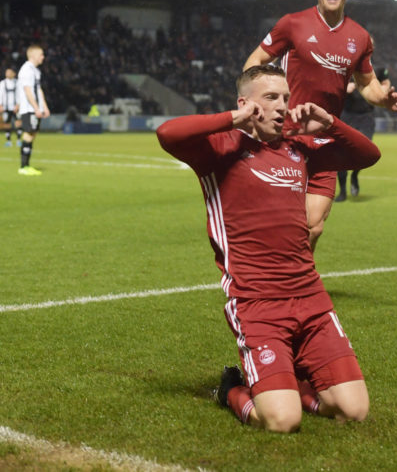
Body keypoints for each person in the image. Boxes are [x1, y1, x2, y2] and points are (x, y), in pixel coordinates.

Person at [156, 65, 379, 433]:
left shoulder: (298, 147)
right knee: (282, 421)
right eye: (271, 97)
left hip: (311, 298)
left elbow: (368, 155)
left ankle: (294, 386)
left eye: (286, 98)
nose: (282, 106)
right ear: (246, 103)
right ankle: (231, 390)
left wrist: (328, 124)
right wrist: (233, 119)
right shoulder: (218, 149)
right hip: (256, 302)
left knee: (353, 411)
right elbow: (167, 133)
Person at [243, 0, 397, 250]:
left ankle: (295, 285)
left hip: (325, 142)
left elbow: (367, 83)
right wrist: (256, 102)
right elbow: (255, 61)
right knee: (277, 221)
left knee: (313, 227)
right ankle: (269, 279)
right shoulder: (292, 24)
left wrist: (385, 100)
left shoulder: (360, 37)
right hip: (285, 137)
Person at [335, 66, 387, 202]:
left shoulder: (377, 68)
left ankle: (354, 175)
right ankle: (342, 192)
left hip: (366, 117)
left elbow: (386, 82)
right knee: (342, 153)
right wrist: (344, 88)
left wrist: (383, 91)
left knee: (365, 152)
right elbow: (330, 83)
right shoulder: (343, 64)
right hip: (347, 115)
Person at [16, 45, 50, 176]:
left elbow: (39, 90)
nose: (43, 57)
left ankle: (26, 165)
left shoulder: (35, 71)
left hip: (35, 108)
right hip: (29, 108)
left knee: (32, 134)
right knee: (29, 134)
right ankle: (24, 166)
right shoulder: (26, 70)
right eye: (41, 54)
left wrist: (44, 107)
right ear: (33, 56)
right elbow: (27, 90)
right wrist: (36, 108)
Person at [0, 68, 22, 147]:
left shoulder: (18, 83)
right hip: (6, 107)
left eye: (10, 72)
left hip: (15, 107)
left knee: (18, 123)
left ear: (14, 74)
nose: (7, 73)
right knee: (7, 123)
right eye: (7, 72)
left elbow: (20, 94)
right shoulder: (2, 83)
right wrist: (0, 105)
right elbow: (0, 94)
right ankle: (8, 141)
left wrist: (18, 104)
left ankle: (18, 140)